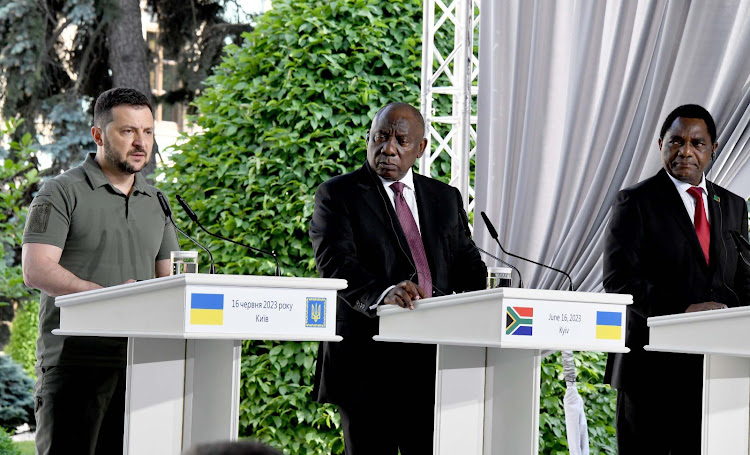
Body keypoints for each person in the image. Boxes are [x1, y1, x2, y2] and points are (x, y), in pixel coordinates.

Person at [309, 102, 487, 455]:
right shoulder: (338, 194)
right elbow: (335, 261)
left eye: (401, 141)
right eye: (381, 137)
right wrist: (384, 293)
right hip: (367, 361)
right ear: (369, 139)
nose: (388, 148)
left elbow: (467, 263)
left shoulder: (444, 198)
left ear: (420, 148)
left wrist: (486, 295)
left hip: (433, 363)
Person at [21, 87, 179, 455]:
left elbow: (171, 278)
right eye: (128, 131)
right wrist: (107, 297)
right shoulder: (59, 192)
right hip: (75, 361)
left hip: (143, 363)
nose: (141, 143)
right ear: (98, 135)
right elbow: (36, 268)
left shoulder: (156, 200)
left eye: (148, 132)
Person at [603, 104, 750, 454]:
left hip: (715, 371)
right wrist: (684, 309)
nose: (685, 151)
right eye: (676, 141)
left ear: (713, 149)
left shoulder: (732, 205)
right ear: (660, 145)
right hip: (650, 374)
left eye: (697, 143)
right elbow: (619, 280)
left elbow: (742, 277)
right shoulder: (634, 202)